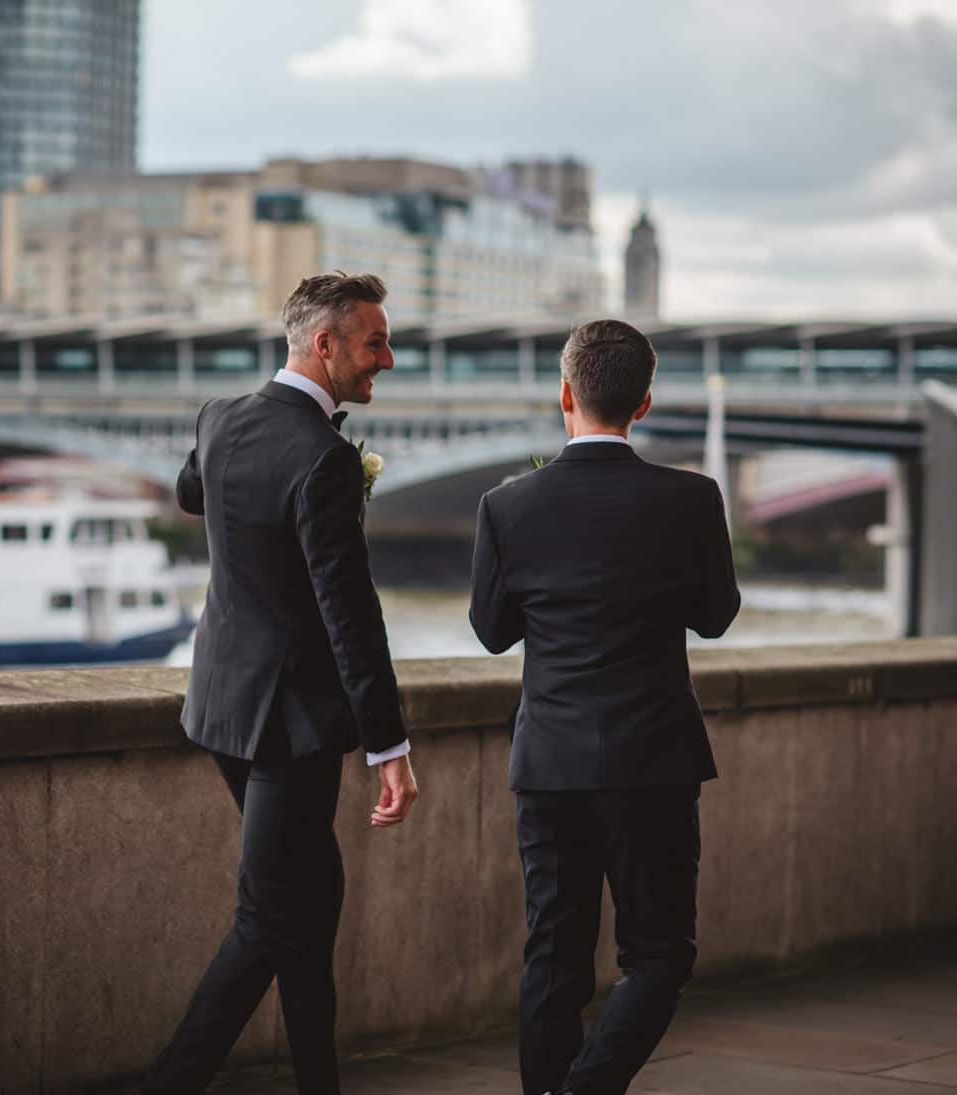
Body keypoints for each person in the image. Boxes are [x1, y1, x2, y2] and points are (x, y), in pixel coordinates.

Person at [143, 271, 420, 1094]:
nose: (389, 358)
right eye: (375, 342)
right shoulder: (325, 459)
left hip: (220, 706)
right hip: (288, 724)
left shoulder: (222, 418)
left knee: (313, 894)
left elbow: (193, 492)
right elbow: (350, 615)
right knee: (269, 919)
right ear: (324, 345)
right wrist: (390, 744)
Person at [469, 318, 739, 1095]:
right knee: (659, 957)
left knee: (553, 957)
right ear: (644, 402)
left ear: (565, 394)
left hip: (550, 762)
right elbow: (716, 615)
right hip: (653, 761)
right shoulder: (691, 498)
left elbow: (491, 633)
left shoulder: (506, 506)